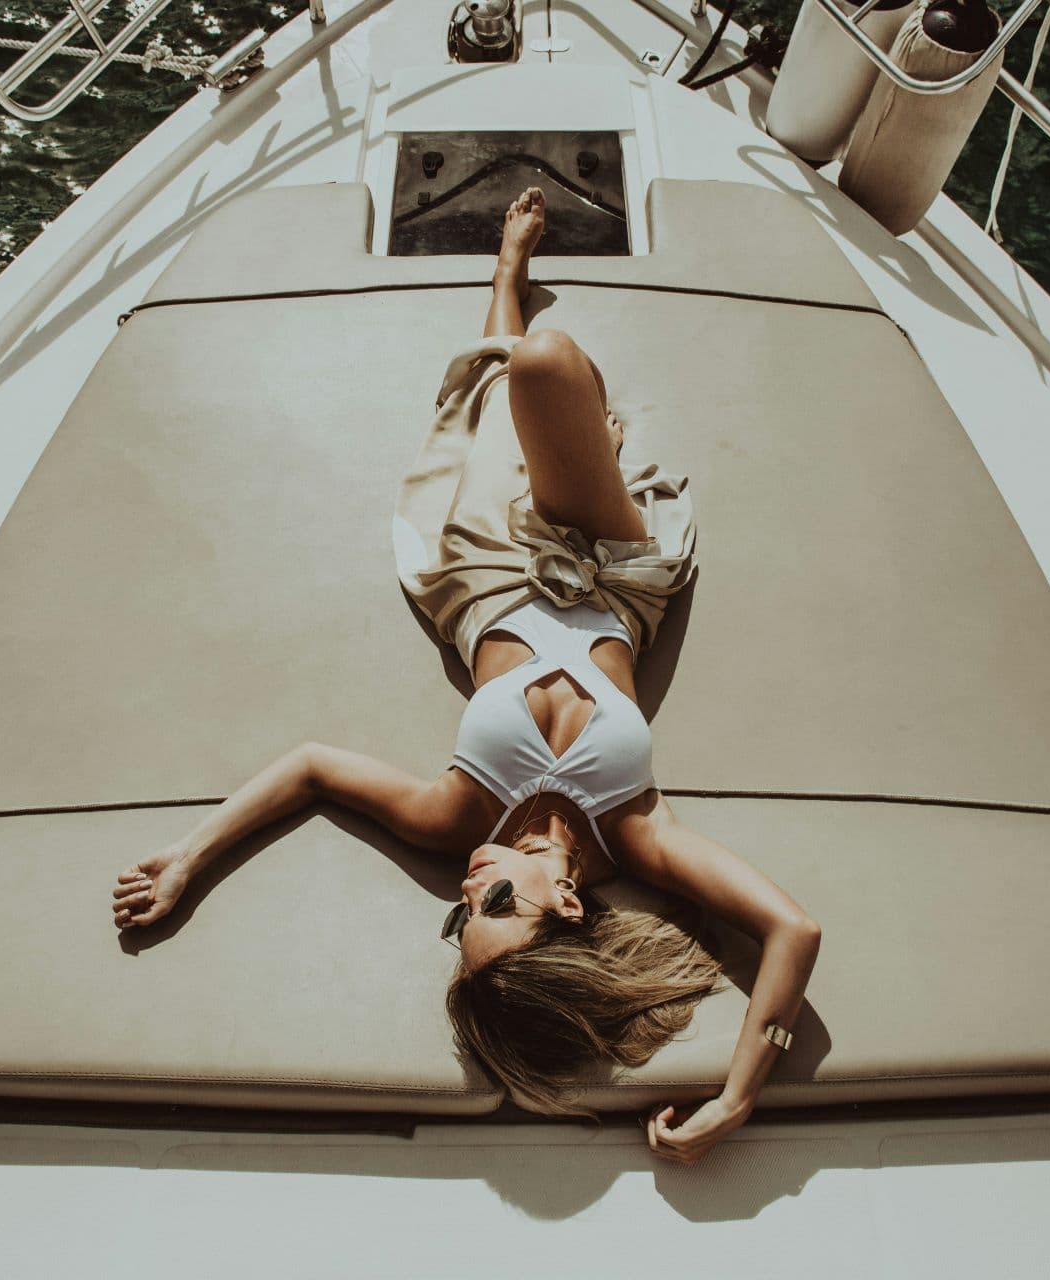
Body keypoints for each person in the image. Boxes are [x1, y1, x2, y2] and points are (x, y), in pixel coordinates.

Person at [111, 187, 821, 1165]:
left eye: (459, 915)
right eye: (493, 907)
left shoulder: (457, 821)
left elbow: (312, 766)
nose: (469, 885)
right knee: (545, 366)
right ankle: (536, 352)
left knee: (499, 391)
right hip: (615, 570)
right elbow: (792, 929)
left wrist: (189, 856)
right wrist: (740, 1096)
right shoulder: (639, 838)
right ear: (567, 906)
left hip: (489, 570)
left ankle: (504, 274)